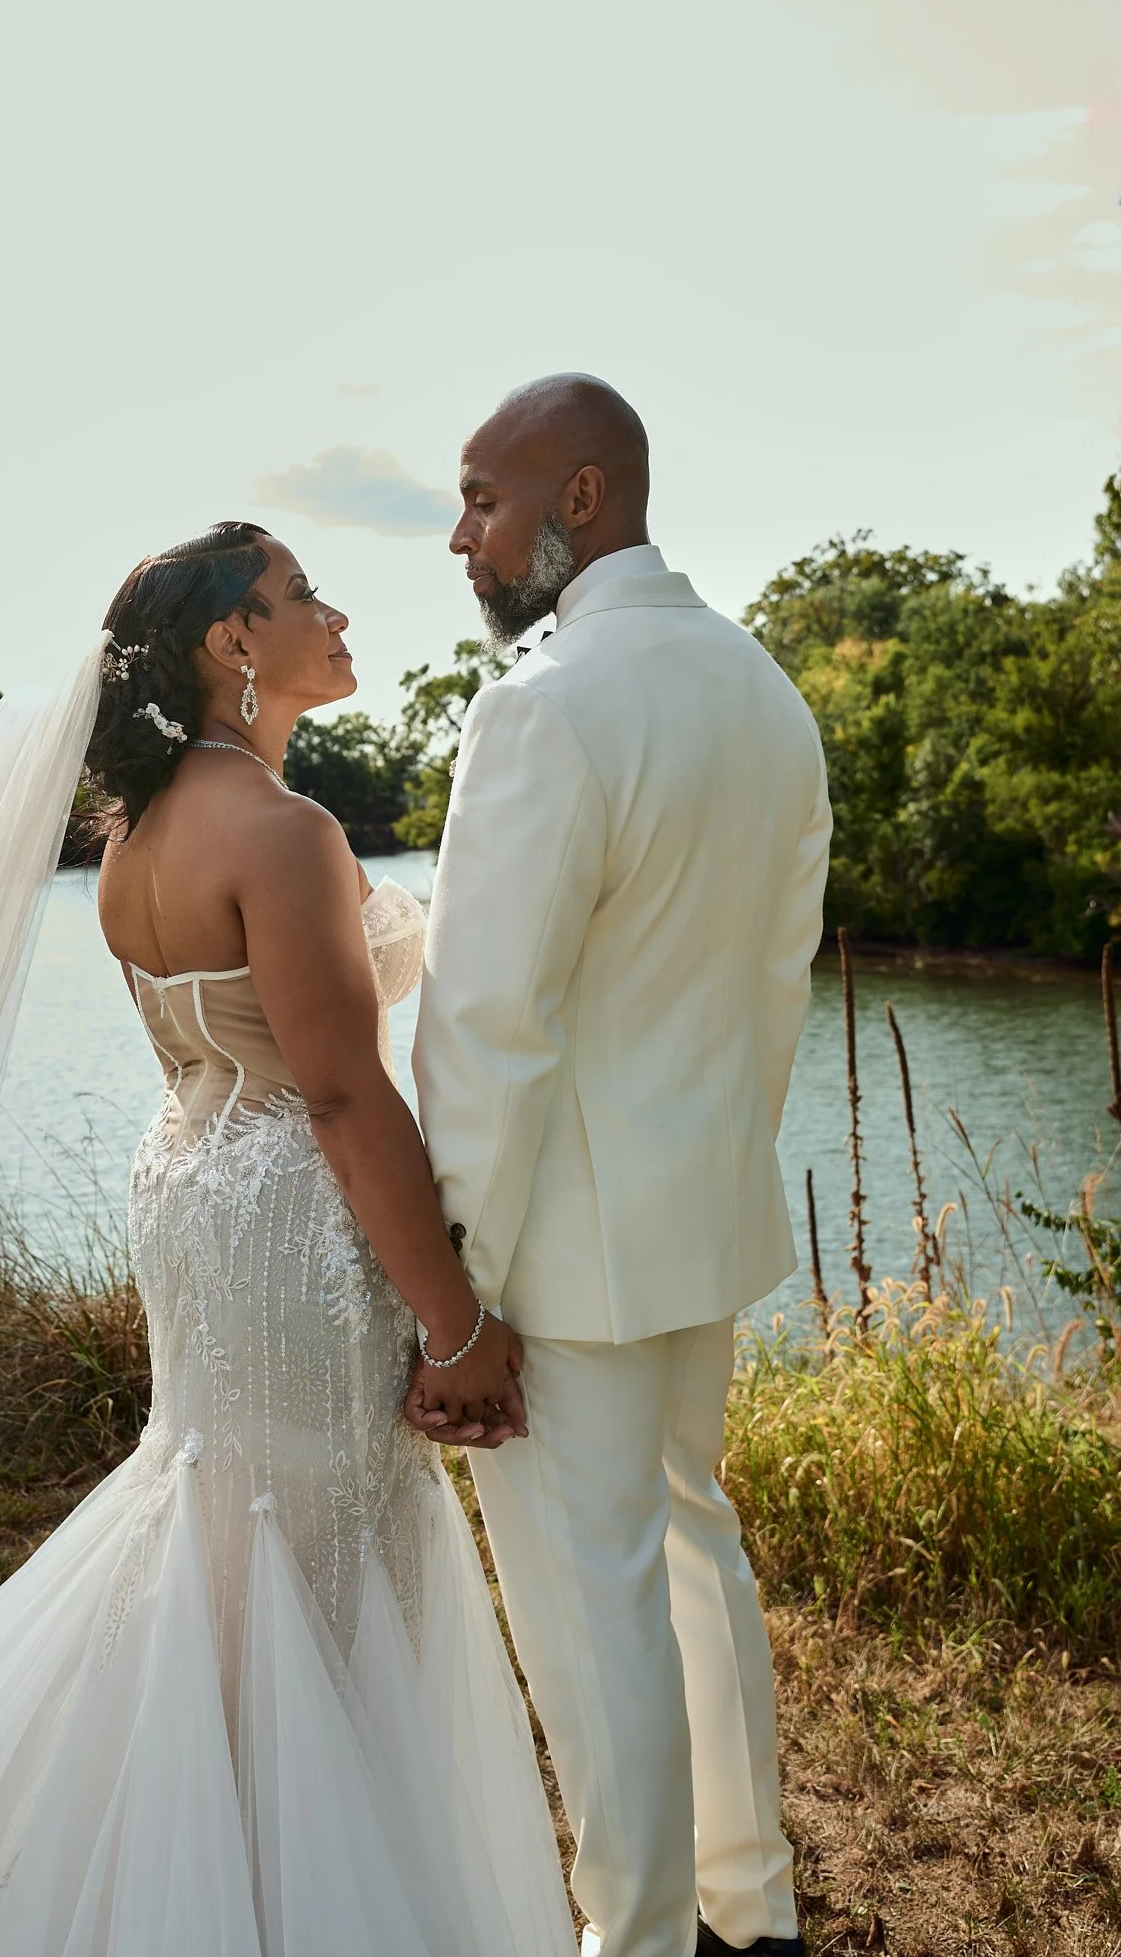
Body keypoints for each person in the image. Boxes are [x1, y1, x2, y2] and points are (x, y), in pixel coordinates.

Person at [0, 524, 575, 1956]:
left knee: (224, 1522)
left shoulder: (141, 837)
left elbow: (208, 1061)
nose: (335, 617)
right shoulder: (283, 833)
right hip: (287, 1217)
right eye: (298, 599)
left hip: (191, 1193)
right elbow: (339, 1092)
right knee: (325, 1548)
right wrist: (455, 1328)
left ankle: (228, 1856)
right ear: (232, 646)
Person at [408, 378, 832, 1957]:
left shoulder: (544, 700)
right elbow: (774, 986)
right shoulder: (760, 688)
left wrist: (449, 1293)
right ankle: (752, 1907)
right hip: (699, 1217)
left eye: (481, 500)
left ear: (578, 500)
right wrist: (712, 1155)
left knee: (597, 1619)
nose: (462, 537)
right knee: (690, 1549)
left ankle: (638, 1940)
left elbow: (487, 1030)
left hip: (560, 1258)